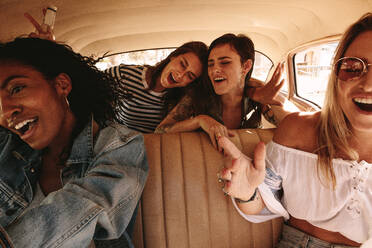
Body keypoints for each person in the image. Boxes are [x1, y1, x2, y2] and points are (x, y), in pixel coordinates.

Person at [217, 13, 372, 247]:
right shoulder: (297, 130)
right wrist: (248, 193)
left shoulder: (258, 95)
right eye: (352, 67)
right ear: (336, 75)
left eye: (225, 62)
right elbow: (264, 198)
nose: (368, 83)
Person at [0, 37, 148, 247]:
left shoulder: (118, 144)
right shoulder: (6, 146)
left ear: (62, 85)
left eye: (17, 89)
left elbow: (91, 206)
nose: (5, 113)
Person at [24, 9, 208, 133]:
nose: (181, 75)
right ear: (173, 57)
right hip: (112, 145)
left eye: (190, 76)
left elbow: (165, 132)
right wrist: (51, 50)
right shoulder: (125, 75)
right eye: (183, 64)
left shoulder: (180, 102)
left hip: (147, 155)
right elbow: (82, 81)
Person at [155, 33, 296, 151]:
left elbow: (293, 127)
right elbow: (160, 131)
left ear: (245, 66)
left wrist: (269, 98)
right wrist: (200, 121)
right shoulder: (197, 96)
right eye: (211, 64)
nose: (214, 70)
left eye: (225, 62)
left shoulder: (257, 98)